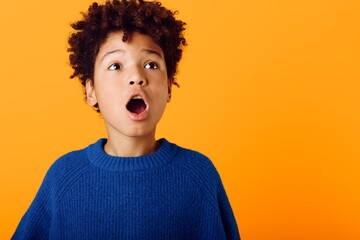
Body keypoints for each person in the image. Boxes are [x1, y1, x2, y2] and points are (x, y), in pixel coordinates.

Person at [12, 0, 240, 239]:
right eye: (115, 65)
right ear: (91, 91)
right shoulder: (64, 177)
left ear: (169, 87)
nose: (136, 77)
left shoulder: (198, 175)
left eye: (151, 64)